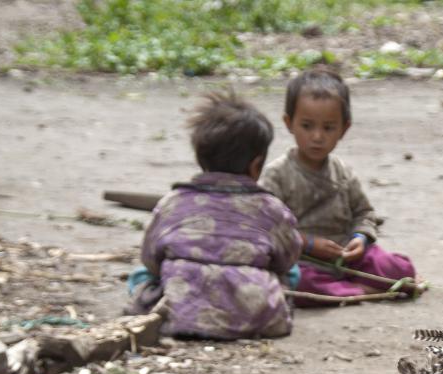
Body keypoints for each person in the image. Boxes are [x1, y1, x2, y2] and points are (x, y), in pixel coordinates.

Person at [126, 91, 302, 339]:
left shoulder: (173, 203)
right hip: (255, 318)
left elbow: (150, 258)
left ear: (201, 159)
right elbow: (287, 258)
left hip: (179, 314)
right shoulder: (271, 209)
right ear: (256, 164)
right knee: (293, 273)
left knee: (141, 275)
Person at [260, 66, 419, 302]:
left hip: (347, 255)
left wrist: (360, 238)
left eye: (328, 128)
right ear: (289, 123)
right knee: (299, 284)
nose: (317, 136)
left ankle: (347, 286)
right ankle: (362, 291)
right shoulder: (278, 174)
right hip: (303, 261)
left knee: (401, 270)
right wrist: (309, 244)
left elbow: (364, 213)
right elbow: (268, 227)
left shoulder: (342, 172)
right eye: (307, 126)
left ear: (344, 128)